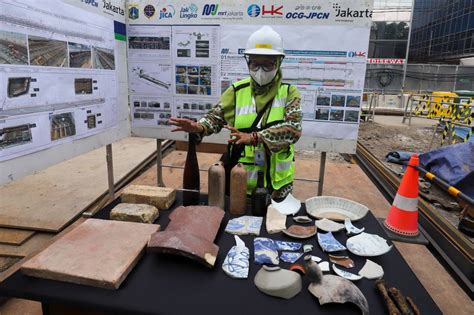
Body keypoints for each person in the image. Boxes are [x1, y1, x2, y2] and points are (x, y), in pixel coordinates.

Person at [170, 26, 302, 200]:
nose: (260, 70)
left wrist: (255, 137)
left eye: (267, 64)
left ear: (278, 63)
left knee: (274, 226)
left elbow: (293, 129)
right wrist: (200, 127)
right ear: (248, 62)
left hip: (277, 189)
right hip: (239, 184)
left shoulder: (289, 93)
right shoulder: (237, 91)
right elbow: (215, 117)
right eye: (255, 63)